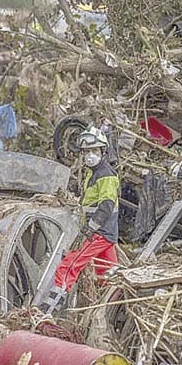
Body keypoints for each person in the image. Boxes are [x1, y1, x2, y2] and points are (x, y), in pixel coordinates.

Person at [43, 126, 119, 313]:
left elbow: (106, 206)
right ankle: (112, 310)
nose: (89, 156)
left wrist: (89, 230)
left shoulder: (106, 175)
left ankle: (48, 312)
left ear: (103, 151)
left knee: (68, 265)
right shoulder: (92, 174)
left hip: (99, 232)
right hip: (105, 233)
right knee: (108, 274)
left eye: (94, 151)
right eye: (86, 152)